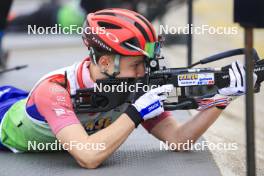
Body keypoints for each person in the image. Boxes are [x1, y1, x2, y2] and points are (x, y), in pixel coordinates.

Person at [0, 8, 257, 169]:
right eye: (136, 64)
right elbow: (88, 157)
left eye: (145, 65)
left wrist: (222, 98)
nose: (142, 73)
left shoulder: (131, 85)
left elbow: (179, 140)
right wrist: (135, 113)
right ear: (104, 62)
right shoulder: (55, 89)